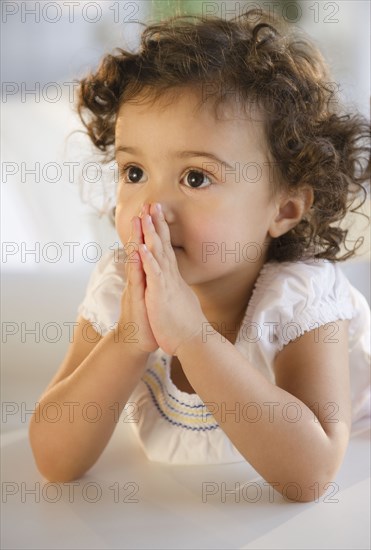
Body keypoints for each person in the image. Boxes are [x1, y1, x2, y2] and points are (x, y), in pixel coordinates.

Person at [29, 9, 370, 502]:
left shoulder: (300, 301)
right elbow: (54, 460)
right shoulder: (119, 291)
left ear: (285, 207)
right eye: (134, 172)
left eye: (195, 178)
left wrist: (192, 337)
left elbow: (309, 475)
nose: (153, 207)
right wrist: (128, 339)